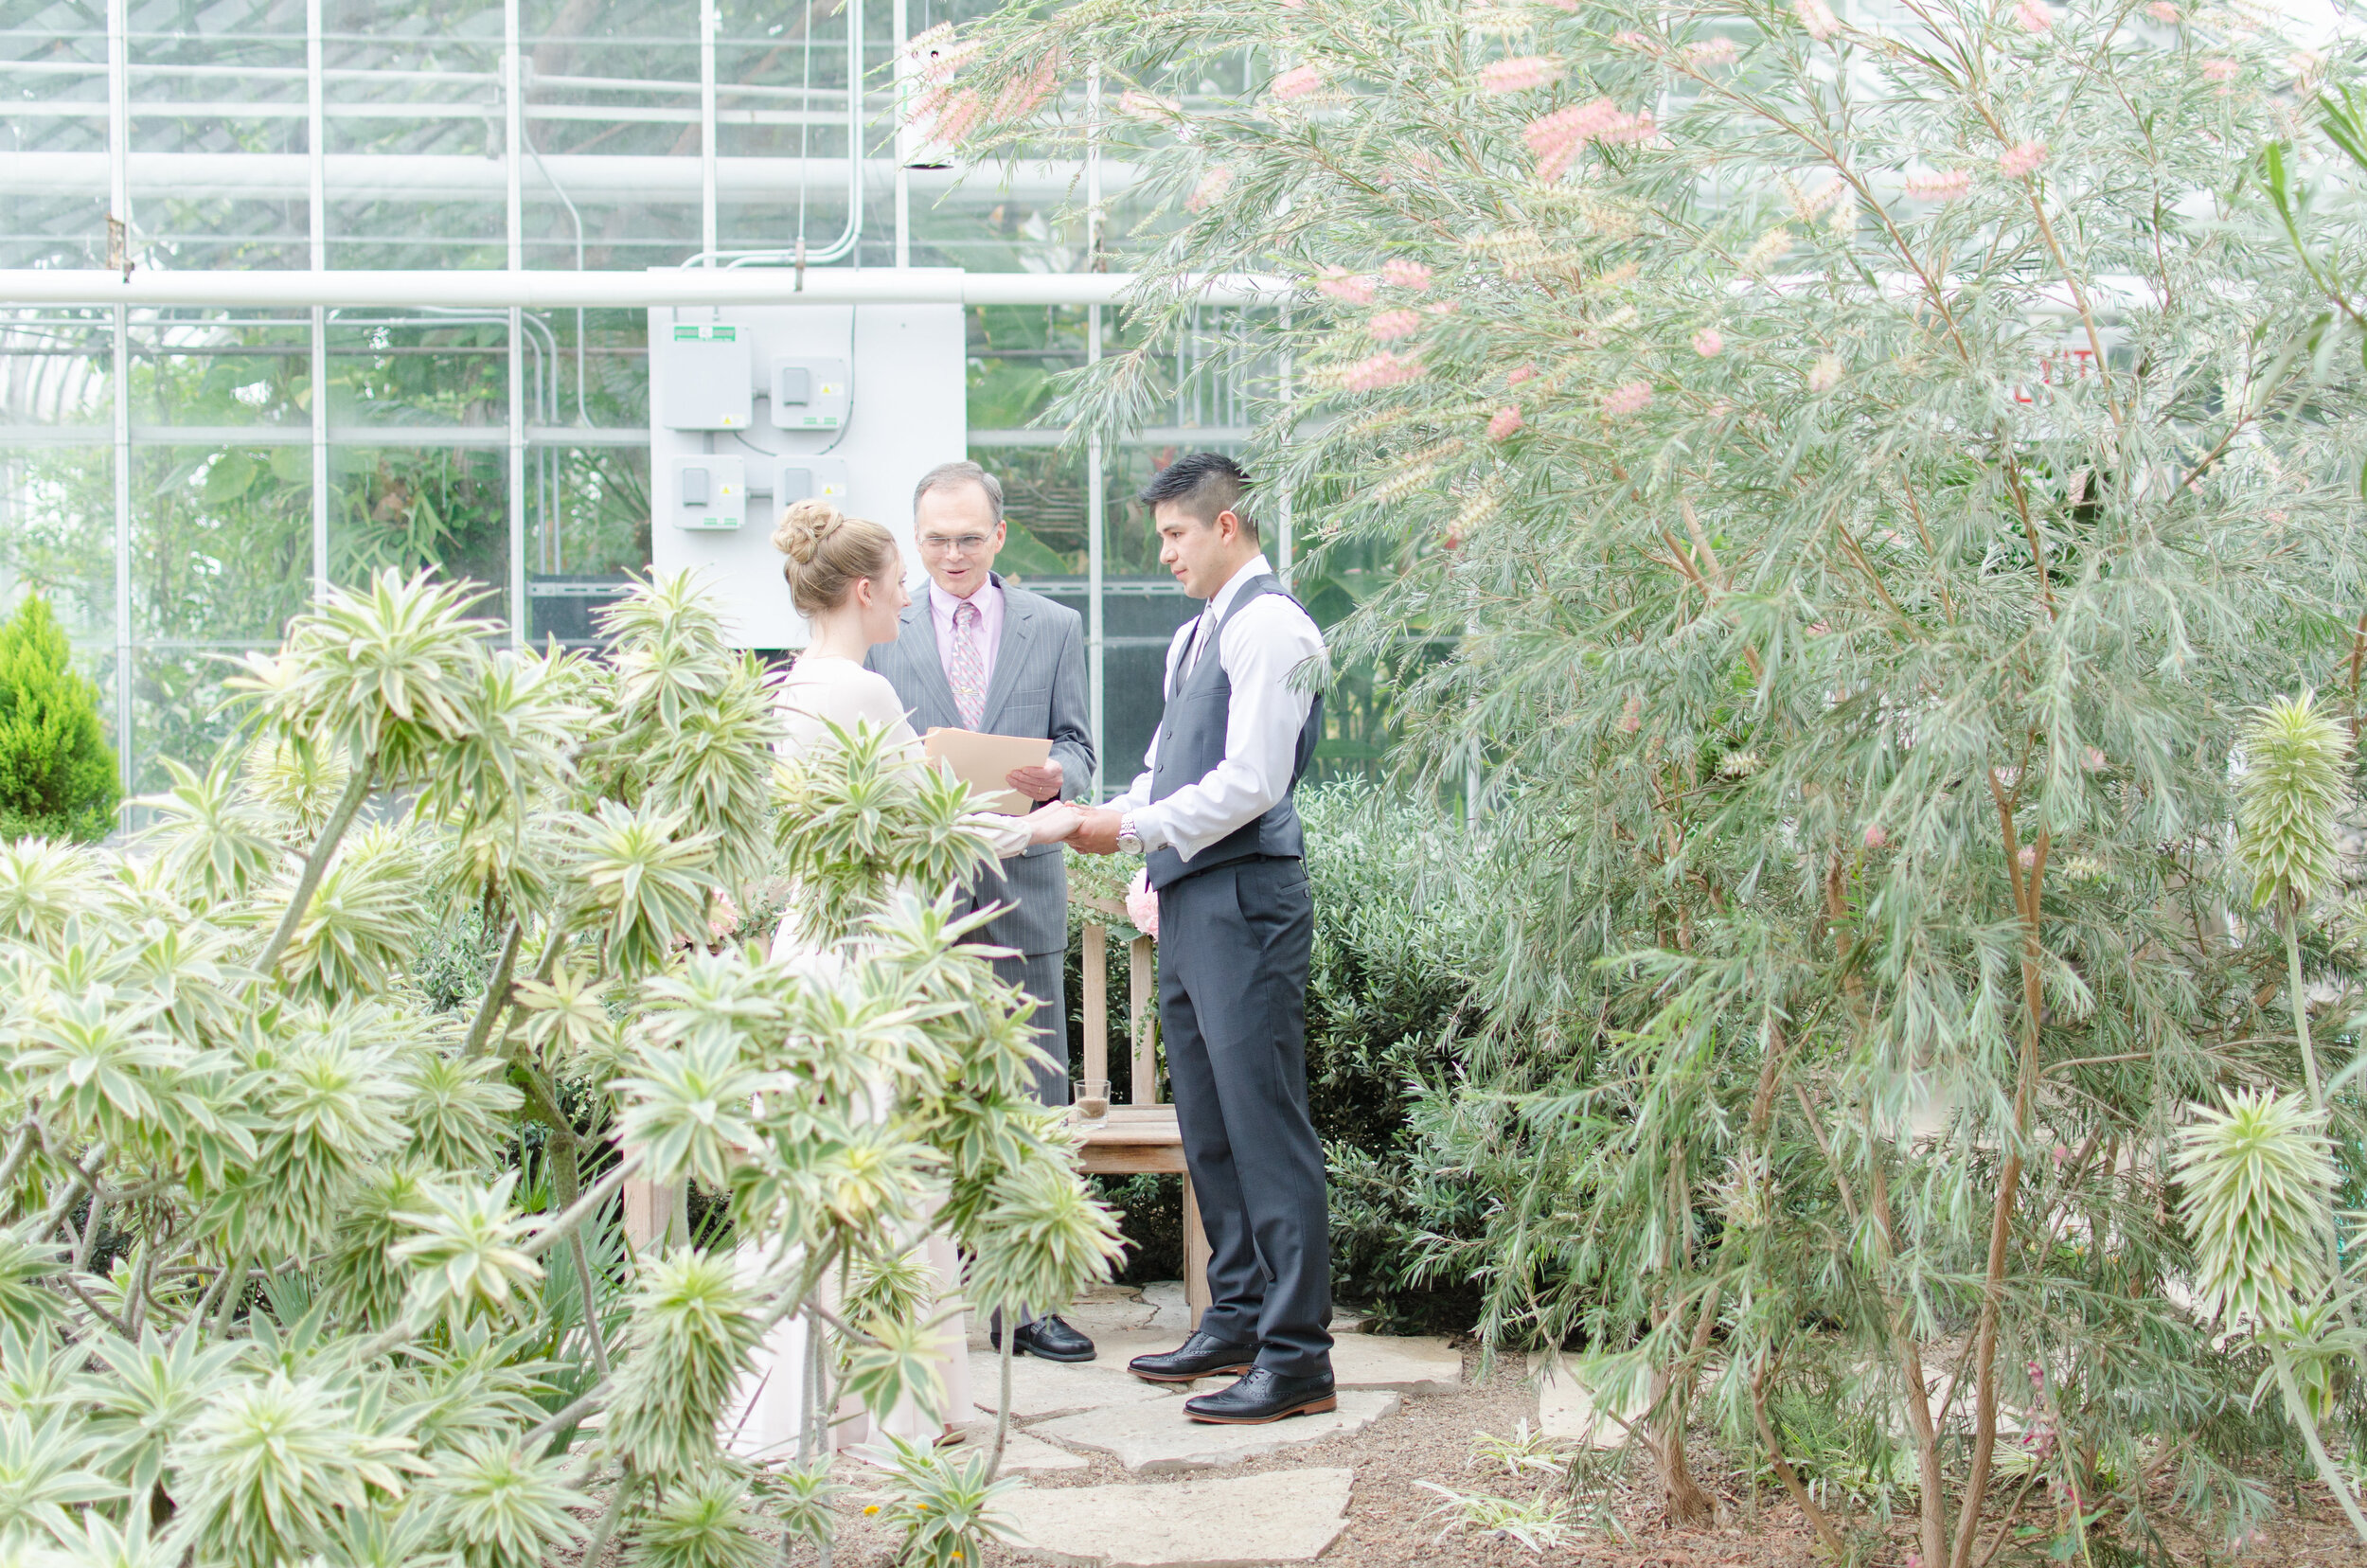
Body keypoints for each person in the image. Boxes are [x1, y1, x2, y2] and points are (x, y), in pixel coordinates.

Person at [724, 496, 1080, 1462]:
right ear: (870, 588)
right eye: (899, 580)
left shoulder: (788, 689)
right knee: (884, 1167)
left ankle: (804, 1396)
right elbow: (928, 834)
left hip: (808, 946)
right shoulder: (862, 693)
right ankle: (889, 1403)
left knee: (819, 1167)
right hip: (866, 957)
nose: (908, 602)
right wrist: (1043, 824)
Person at [1068, 453, 1333, 1426]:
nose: (1166, 554)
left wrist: (1127, 830)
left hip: (1246, 903)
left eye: (1176, 535)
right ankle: (1237, 1317)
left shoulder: (1272, 627)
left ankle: (1298, 1356)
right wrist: (1084, 813)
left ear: (1227, 527)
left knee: (1266, 1130)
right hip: (1189, 903)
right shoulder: (1195, 640)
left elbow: (1253, 781)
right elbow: (1160, 775)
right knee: (1213, 1129)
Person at [865, 459, 1099, 1365]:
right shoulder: (886, 627)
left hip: (1022, 896)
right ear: (915, 540)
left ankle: (1031, 1303)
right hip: (918, 909)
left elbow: (1079, 743)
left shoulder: (1055, 626)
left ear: (999, 537)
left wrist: (1059, 781)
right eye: (935, 541)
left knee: (1033, 1103)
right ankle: (931, 1300)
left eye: (969, 539)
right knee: (927, 1105)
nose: (953, 556)